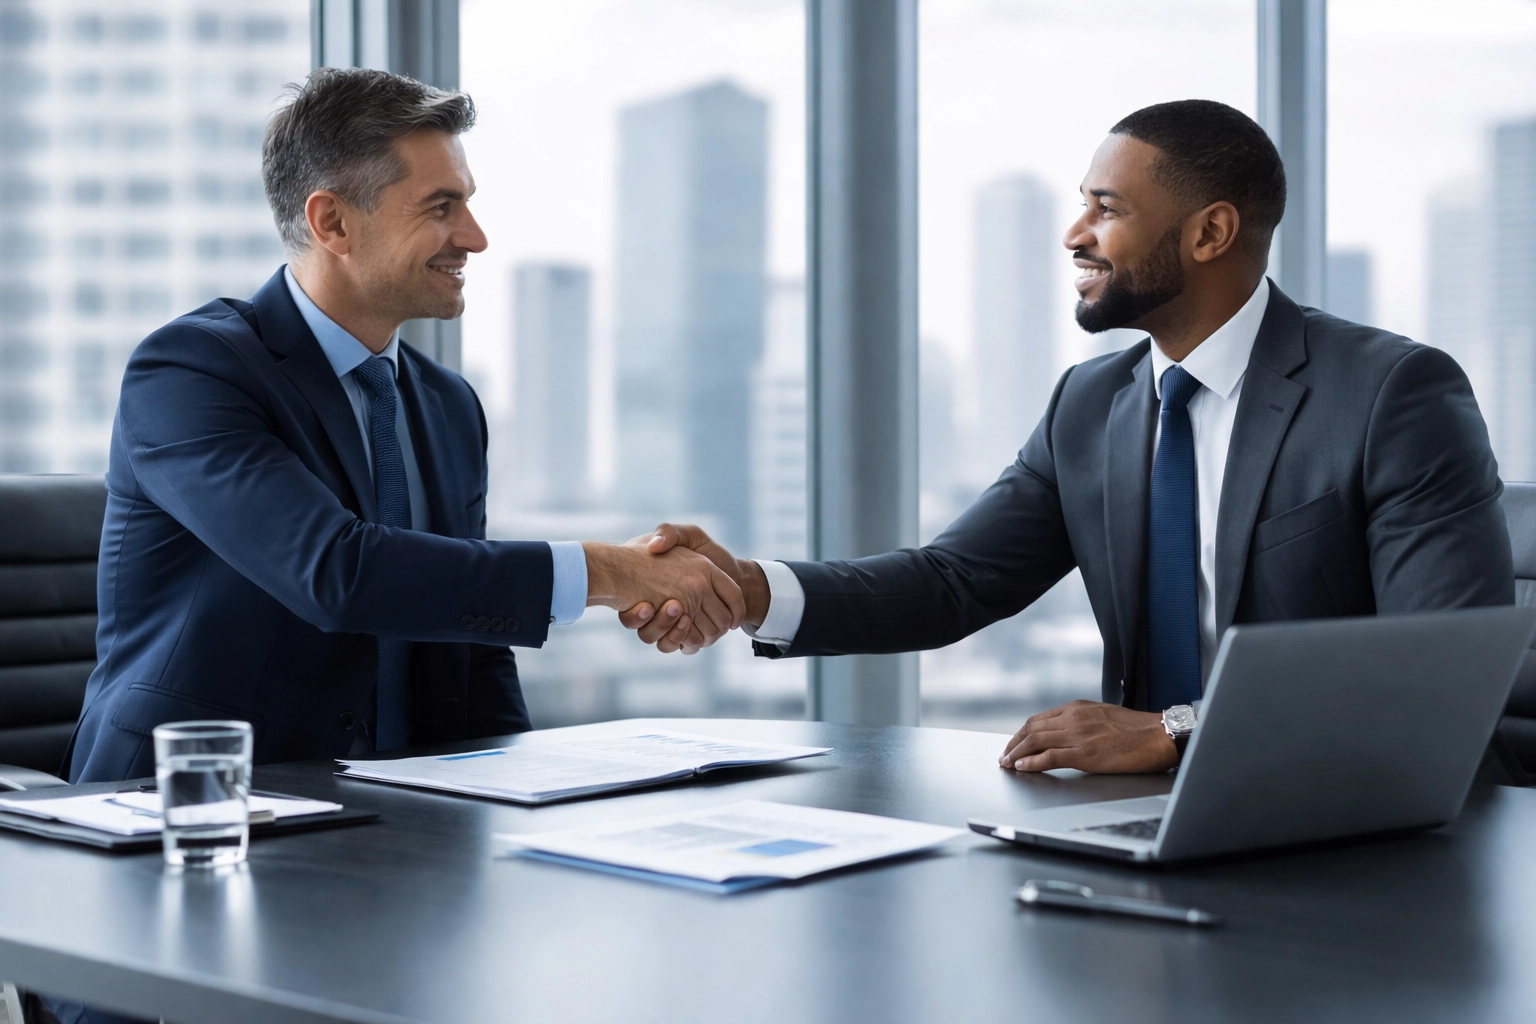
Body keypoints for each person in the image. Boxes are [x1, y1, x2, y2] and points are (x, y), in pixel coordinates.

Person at [626, 98, 1514, 775]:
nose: (1074, 235)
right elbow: (953, 583)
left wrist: (1175, 732)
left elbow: (1432, 669)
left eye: (1106, 208)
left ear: (1210, 232)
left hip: (1350, 826)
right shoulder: (1091, 405)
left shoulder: (1392, 392)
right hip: (1135, 818)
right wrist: (747, 592)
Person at [64, 67, 741, 789]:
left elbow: (474, 647)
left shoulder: (449, 405)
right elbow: (336, 571)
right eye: (441, 207)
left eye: (468, 205)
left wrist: (523, 799)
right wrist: (610, 571)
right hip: (188, 811)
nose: (474, 238)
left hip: (391, 823)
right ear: (333, 223)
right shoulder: (192, 371)